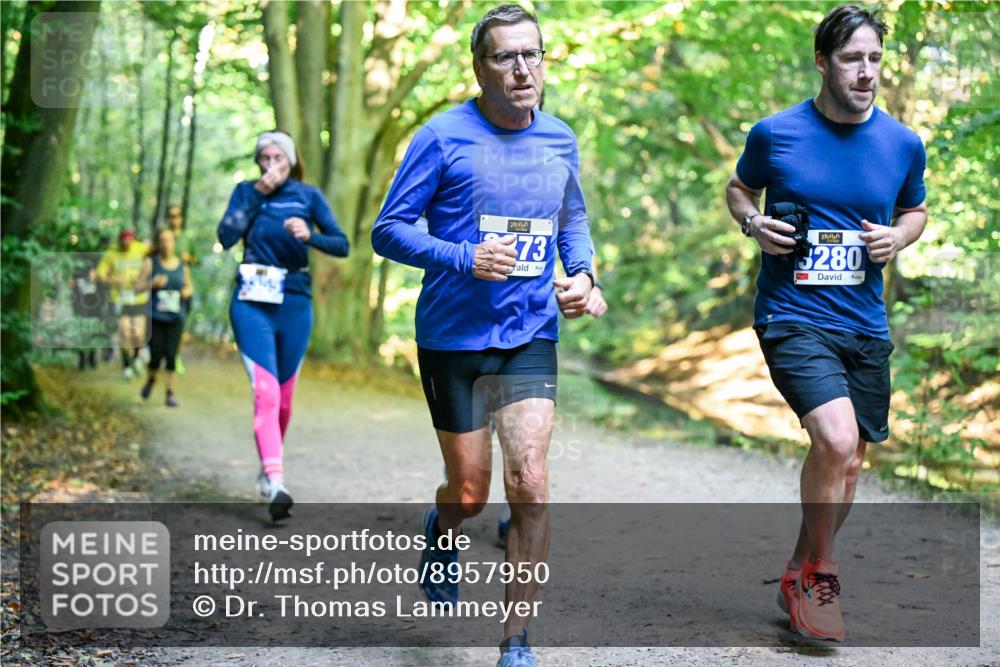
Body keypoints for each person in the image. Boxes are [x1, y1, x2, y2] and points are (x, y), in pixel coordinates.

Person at [372, 5, 594, 665]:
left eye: (533, 54)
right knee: (469, 491)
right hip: (453, 336)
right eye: (506, 56)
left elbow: (571, 216)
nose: (523, 69)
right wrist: (462, 256)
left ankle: (516, 638)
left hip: (529, 329)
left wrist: (584, 274)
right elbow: (390, 229)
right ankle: (442, 528)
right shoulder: (442, 137)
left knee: (529, 479)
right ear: (480, 67)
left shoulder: (559, 138)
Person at [725, 4, 927, 642]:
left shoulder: (902, 143)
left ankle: (798, 569)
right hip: (792, 313)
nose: (865, 72)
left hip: (864, 321)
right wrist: (754, 224)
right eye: (851, 59)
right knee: (836, 441)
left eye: (873, 59)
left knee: (852, 459)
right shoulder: (775, 134)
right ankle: (824, 576)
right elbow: (738, 189)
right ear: (822, 61)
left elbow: (915, 210)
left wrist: (898, 237)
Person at [218, 130, 349, 521]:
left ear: (291, 160)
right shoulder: (246, 193)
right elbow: (225, 236)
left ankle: (267, 465)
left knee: (285, 399)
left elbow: (341, 244)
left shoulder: (308, 196)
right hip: (251, 302)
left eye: (278, 157)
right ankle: (276, 482)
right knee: (266, 393)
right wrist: (258, 191)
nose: (271, 164)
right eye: (264, 157)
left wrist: (310, 235)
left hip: (294, 300)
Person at [136, 228, 193, 407]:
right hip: (155, 317)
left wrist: (186, 292)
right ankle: (151, 379)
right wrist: (153, 284)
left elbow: (190, 287)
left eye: (169, 240)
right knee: (155, 356)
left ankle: (169, 392)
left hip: (176, 318)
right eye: (163, 240)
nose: (166, 244)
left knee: (171, 355)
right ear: (159, 243)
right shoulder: (150, 263)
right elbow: (137, 287)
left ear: (174, 243)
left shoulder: (182, 265)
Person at [96, 230, 151, 379]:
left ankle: (138, 356)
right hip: (119, 299)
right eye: (124, 242)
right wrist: (112, 280)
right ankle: (127, 365)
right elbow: (100, 275)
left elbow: (153, 259)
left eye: (130, 241)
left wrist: (143, 278)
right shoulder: (111, 253)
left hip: (139, 298)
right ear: (119, 241)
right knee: (125, 332)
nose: (127, 244)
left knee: (139, 333)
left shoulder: (141, 248)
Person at [165, 204, 198, 375]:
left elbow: (196, 260)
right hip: (163, 289)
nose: (174, 219)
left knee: (179, 323)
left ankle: (174, 356)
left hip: (182, 288)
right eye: (171, 215)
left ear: (181, 218)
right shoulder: (163, 236)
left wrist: (189, 258)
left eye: (177, 215)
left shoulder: (187, 239)